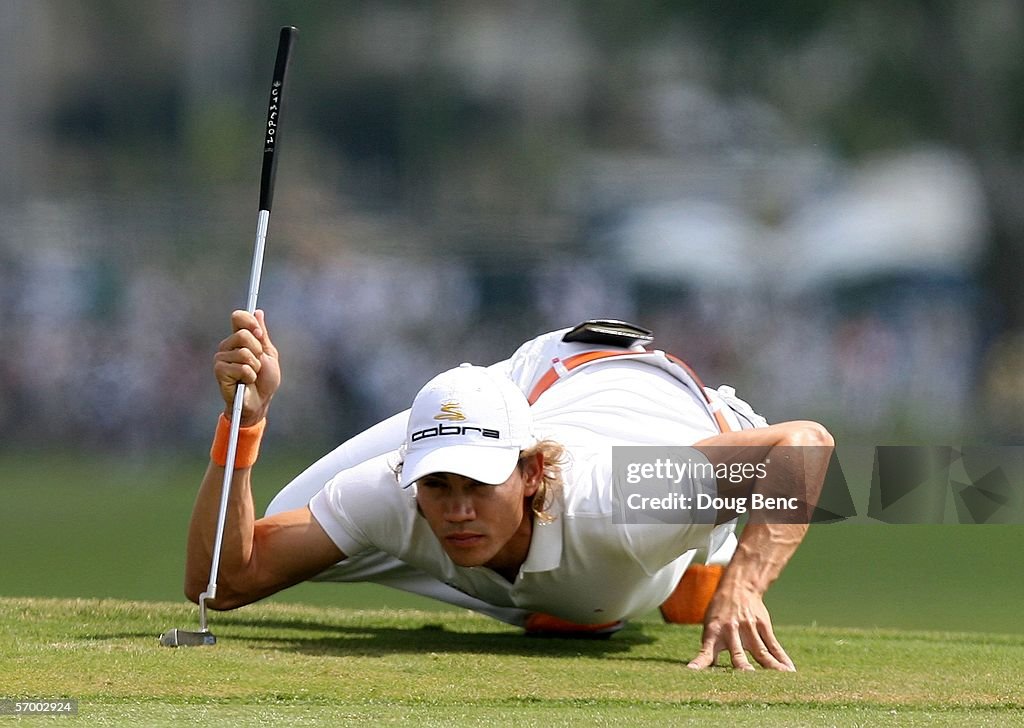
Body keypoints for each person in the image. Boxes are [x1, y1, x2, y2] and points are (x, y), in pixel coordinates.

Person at [185, 311, 833, 671]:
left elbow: (804, 446)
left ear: (530, 473)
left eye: (479, 482)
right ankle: (568, 599)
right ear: (412, 476)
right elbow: (219, 579)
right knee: (279, 515)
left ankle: (701, 562)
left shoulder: (619, 500)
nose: (458, 508)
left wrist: (743, 588)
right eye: (439, 485)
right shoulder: (395, 496)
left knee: (670, 577)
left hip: (670, 408)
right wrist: (245, 422)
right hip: (534, 380)